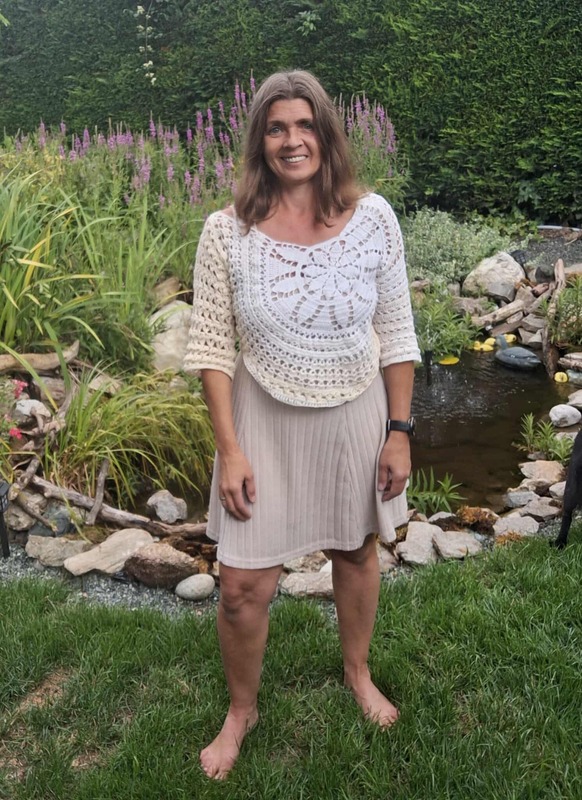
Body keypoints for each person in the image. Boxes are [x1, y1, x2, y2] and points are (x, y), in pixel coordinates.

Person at [183, 70, 420, 780]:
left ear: (327, 133)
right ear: (260, 140)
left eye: (305, 125)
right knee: (241, 587)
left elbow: (397, 332)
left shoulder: (373, 218)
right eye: (277, 127)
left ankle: (357, 672)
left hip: (356, 415)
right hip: (262, 423)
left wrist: (400, 430)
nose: (293, 141)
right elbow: (211, 350)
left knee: (355, 551)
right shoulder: (226, 232)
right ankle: (241, 710)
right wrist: (229, 450)